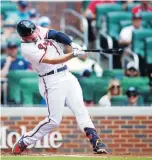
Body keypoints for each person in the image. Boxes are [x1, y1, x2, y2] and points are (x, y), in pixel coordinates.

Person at [12, 20, 108, 154]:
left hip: (66, 75)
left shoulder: (37, 30)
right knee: (54, 120)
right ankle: (25, 140)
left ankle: (96, 141)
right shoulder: (27, 50)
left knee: (80, 110)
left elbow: (55, 34)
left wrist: (72, 43)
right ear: (23, 36)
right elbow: (52, 61)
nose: (34, 34)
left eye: (33, 31)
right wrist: (73, 55)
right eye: (30, 34)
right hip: (50, 80)